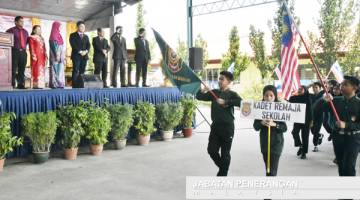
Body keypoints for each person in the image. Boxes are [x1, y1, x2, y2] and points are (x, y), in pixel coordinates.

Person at [196, 71, 242, 176]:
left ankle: (222, 174)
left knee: (225, 154)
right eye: (219, 79)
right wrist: (202, 90)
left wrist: (226, 102)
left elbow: (242, 103)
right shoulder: (214, 92)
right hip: (215, 127)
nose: (219, 81)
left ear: (229, 81)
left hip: (227, 128)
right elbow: (199, 97)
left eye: (222, 79)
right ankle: (224, 169)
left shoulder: (232, 94)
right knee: (211, 150)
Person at [321, 76, 360, 176]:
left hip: (353, 139)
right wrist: (323, 100)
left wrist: (346, 125)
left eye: (345, 85)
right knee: (341, 167)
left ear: (355, 88)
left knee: (349, 167)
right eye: (341, 84)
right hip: (338, 137)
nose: (341, 87)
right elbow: (316, 110)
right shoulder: (336, 101)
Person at [253, 85, 287, 177]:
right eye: (266, 95)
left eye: (271, 95)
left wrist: (275, 124)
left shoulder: (280, 108)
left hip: (276, 144)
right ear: (263, 96)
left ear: (275, 96)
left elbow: (284, 128)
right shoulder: (259, 108)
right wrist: (261, 123)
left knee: (272, 171)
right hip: (264, 144)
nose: (268, 98)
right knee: (268, 170)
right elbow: (256, 126)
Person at [289, 86, 312, 159]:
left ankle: (304, 153)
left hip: (306, 120)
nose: (299, 90)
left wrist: (312, 120)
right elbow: (290, 101)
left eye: (301, 89)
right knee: (294, 132)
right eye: (298, 89)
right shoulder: (295, 97)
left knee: (305, 136)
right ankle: (300, 145)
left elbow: (310, 110)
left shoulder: (308, 98)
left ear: (305, 90)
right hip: (298, 119)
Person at [6, 16, 29, 89]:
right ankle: (12, 84)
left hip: (23, 52)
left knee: (22, 69)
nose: (22, 23)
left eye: (23, 21)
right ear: (15, 22)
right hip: (14, 52)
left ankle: (20, 84)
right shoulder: (10, 30)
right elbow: (6, 40)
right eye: (20, 21)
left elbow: (27, 42)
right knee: (13, 69)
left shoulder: (25, 32)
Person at [69, 21, 90, 87]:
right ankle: (74, 86)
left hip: (84, 56)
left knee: (82, 71)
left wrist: (86, 51)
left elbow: (88, 45)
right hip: (76, 56)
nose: (83, 28)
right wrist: (80, 52)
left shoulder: (86, 36)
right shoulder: (72, 35)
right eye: (81, 26)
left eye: (84, 27)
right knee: (75, 70)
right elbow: (73, 45)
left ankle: (81, 85)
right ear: (77, 27)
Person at [49, 21, 65, 88]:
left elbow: (61, 45)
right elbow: (52, 46)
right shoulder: (53, 35)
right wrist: (56, 55)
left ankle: (59, 83)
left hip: (60, 55)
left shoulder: (59, 35)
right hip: (55, 55)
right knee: (55, 69)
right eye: (60, 26)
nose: (60, 28)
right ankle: (54, 83)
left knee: (60, 69)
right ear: (56, 27)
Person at [310, 82, 324, 152]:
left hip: (320, 117)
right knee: (312, 131)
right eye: (313, 88)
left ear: (320, 88)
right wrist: (310, 85)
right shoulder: (311, 96)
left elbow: (326, 90)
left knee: (315, 132)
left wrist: (324, 84)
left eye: (316, 87)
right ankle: (320, 135)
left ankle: (315, 146)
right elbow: (304, 91)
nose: (314, 89)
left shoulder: (321, 96)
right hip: (312, 117)